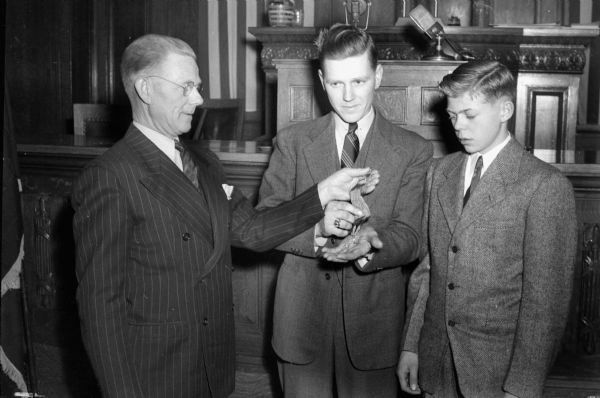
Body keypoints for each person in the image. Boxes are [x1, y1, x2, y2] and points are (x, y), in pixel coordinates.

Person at [71, 33, 379, 398]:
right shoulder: (110, 175)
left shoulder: (204, 162)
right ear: (146, 89)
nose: (199, 100)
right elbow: (99, 309)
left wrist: (322, 193)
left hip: (210, 368)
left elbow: (253, 231)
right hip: (154, 374)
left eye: (198, 87)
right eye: (186, 87)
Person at [256, 24, 433, 397]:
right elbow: (265, 221)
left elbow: (412, 237)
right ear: (321, 80)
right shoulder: (292, 142)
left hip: (374, 327)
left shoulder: (413, 150)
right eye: (336, 84)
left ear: (378, 76)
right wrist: (317, 228)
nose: (348, 96)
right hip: (300, 323)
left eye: (359, 81)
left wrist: (373, 242)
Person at [397, 60, 577, 398]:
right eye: (452, 116)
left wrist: (523, 386)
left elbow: (545, 305)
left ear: (505, 109)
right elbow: (428, 270)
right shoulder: (439, 173)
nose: (458, 127)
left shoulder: (545, 186)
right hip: (435, 363)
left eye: (470, 115)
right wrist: (411, 345)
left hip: (497, 373)